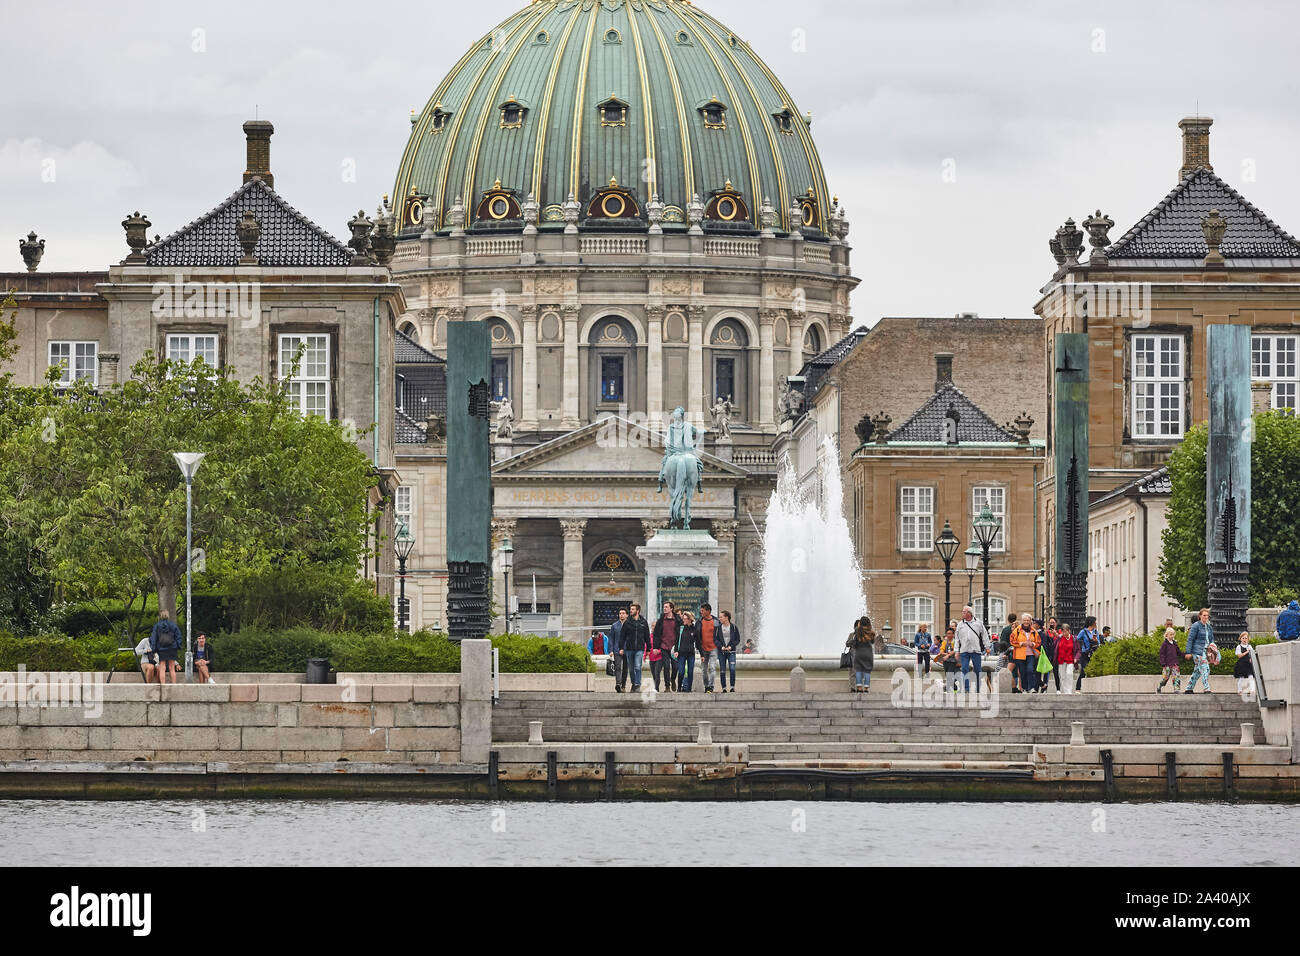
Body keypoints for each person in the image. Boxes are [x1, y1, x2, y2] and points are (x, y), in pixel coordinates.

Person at [954, 606, 989, 693]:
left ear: (969, 613)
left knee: (977, 669)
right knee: (965, 668)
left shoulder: (978, 623)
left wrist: (987, 647)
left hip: (975, 650)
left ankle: (978, 688)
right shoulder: (960, 624)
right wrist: (956, 651)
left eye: (964, 612)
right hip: (964, 650)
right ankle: (966, 689)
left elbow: (985, 635)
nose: (962, 614)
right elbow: (957, 639)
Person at [621, 603, 651, 693]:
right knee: (631, 668)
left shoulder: (643, 622)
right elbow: (622, 636)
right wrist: (621, 647)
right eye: (630, 609)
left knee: (637, 666)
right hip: (629, 648)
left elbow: (647, 636)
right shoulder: (627, 622)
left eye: (633, 609)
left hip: (639, 648)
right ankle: (634, 683)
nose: (631, 611)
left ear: (637, 611)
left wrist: (649, 648)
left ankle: (637, 684)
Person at [652, 601, 682, 692]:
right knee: (666, 667)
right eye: (664, 607)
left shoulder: (677, 620)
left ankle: (673, 679)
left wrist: (679, 647)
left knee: (675, 666)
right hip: (664, 646)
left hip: (674, 647)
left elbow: (680, 634)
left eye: (666, 607)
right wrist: (656, 647)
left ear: (671, 609)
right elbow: (656, 634)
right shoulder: (661, 620)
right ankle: (667, 686)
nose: (664, 608)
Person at [1009, 613, 1041, 694]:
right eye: (1025, 620)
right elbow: (1012, 641)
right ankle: (1024, 688)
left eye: (1028, 620)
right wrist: (1021, 643)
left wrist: (1033, 644)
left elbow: (1038, 642)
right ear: (1022, 621)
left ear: (1030, 621)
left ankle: (1031, 688)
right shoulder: (1017, 630)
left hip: (1031, 654)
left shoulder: (1034, 631)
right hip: (1020, 655)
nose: (1026, 622)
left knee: (1030, 670)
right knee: (1022, 672)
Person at [1184, 608, 1213, 695]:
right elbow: (1190, 639)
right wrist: (1188, 652)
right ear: (1200, 616)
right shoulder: (1196, 626)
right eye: (1204, 615)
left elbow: (1211, 639)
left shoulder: (1209, 627)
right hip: (1197, 651)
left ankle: (1189, 688)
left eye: (1207, 615)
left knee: (1197, 670)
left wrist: (1212, 649)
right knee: (1205, 668)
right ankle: (1206, 688)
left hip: (1205, 651)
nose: (1206, 617)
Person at [149, 610, 183, 685]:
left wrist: (153, 649)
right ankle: (174, 685)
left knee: (162, 668)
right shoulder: (173, 625)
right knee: (172, 668)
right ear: (168, 616)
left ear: (160, 616)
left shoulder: (157, 626)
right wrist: (178, 646)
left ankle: (163, 685)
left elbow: (153, 639)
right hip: (172, 648)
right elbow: (179, 636)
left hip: (161, 649)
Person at [846, 617, 875, 692]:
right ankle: (866, 688)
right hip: (868, 654)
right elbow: (872, 642)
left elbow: (853, 643)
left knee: (858, 671)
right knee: (867, 671)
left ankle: (859, 688)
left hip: (859, 654)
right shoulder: (871, 632)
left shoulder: (857, 632)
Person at [716, 610, 741, 692]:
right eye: (719, 617)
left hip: (731, 652)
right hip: (722, 652)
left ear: (726, 617)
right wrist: (721, 647)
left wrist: (731, 646)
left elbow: (737, 640)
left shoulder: (734, 627)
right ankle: (724, 688)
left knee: (732, 669)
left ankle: (732, 687)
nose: (719, 619)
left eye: (721, 617)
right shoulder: (718, 628)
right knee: (722, 670)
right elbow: (715, 640)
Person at [697, 603, 719, 693]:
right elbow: (697, 637)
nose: (701, 612)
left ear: (708, 611)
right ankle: (706, 686)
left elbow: (720, 635)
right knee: (704, 670)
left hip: (714, 648)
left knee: (713, 668)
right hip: (703, 649)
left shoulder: (716, 621)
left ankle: (711, 686)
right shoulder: (699, 622)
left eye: (702, 610)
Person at [1075, 616, 1100, 692]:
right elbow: (1077, 639)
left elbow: (1098, 642)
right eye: (1094, 622)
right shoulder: (1083, 631)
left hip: (1093, 653)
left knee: (1092, 670)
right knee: (1083, 670)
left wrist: (1095, 640)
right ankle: (1078, 688)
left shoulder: (1096, 632)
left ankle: (1090, 688)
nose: (1095, 623)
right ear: (1091, 623)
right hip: (1085, 653)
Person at [1039, 617, 1064, 693]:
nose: (1052, 624)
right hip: (1048, 653)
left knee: (1056, 672)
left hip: (1056, 654)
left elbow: (1063, 640)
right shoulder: (1046, 633)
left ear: (1056, 623)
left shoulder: (1059, 631)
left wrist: (1055, 634)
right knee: (1046, 672)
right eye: (1050, 622)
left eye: (1053, 622)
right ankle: (1045, 688)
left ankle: (1058, 688)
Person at [677, 611, 698, 692]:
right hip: (681, 653)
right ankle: (679, 687)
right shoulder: (680, 628)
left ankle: (688, 689)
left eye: (685, 619)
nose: (684, 620)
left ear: (690, 620)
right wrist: (676, 650)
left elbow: (698, 642)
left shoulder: (694, 629)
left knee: (690, 672)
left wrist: (702, 654)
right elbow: (676, 641)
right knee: (681, 672)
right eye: (683, 619)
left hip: (691, 654)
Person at [998, 612, 1019, 693]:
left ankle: (1013, 687)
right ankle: (1018, 688)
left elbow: (1002, 642)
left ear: (1008, 619)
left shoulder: (1006, 629)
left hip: (1009, 653)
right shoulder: (1018, 630)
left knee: (1009, 671)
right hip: (1017, 653)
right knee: (1017, 672)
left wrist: (1005, 652)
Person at [609, 608, 629, 692]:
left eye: (623, 613)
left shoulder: (630, 624)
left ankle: (623, 685)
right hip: (617, 649)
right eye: (620, 613)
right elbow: (611, 638)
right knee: (618, 667)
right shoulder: (614, 625)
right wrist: (611, 650)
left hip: (627, 650)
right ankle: (618, 684)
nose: (621, 615)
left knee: (625, 668)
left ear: (627, 615)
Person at [1157, 627, 1182, 692]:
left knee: (1176, 677)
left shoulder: (1174, 644)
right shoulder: (1164, 644)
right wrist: (1163, 663)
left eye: (1173, 634)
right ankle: (1160, 686)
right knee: (1165, 678)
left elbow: (1178, 652)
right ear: (1167, 635)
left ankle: (1177, 689)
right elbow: (1162, 654)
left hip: (1175, 663)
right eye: (1170, 634)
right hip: (1167, 664)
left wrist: (1185, 655)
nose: (1172, 636)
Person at [935, 626, 960, 692]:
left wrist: (948, 655)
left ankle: (947, 689)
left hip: (953, 661)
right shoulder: (944, 642)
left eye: (950, 633)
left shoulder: (955, 642)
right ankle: (954, 688)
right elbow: (941, 651)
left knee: (949, 675)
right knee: (948, 675)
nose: (948, 635)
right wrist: (946, 654)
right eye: (947, 633)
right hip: (946, 661)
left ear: (953, 634)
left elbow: (956, 650)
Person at [1234, 632, 1256, 701]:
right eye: (1243, 638)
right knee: (1241, 678)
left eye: (1246, 638)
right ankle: (1239, 690)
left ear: (1248, 639)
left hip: (1248, 664)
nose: (1244, 640)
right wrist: (1247, 651)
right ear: (1240, 639)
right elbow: (1239, 655)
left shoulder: (1249, 646)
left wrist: (1251, 658)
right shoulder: (1238, 647)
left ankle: (1252, 690)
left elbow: (1252, 654)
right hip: (1241, 664)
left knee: (1251, 677)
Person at [1054, 626, 1076, 695]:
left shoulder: (1074, 638)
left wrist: (1076, 658)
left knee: (1069, 674)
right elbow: (1054, 646)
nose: (1064, 633)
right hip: (1061, 660)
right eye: (1063, 631)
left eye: (1065, 631)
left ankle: (1069, 690)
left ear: (1069, 631)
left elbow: (1078, 649)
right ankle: (1065, 690)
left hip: (1070, 659)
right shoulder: (1059, 638)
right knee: (1062, 676)